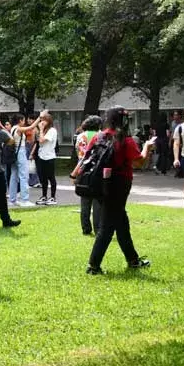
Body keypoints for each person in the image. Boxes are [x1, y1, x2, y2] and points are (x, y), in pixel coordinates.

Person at [80, 106, 152, 274]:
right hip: (119, 184)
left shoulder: (99, 137)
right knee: (107, 227)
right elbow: (139, 163)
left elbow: (86, 158)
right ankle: (93, 266)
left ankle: (133, 260)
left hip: (99, 184)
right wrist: (147, 147)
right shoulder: (125, 140)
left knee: (121, 223)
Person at [75, 116, 104, 236]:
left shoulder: (81, 136)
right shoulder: (100, 135)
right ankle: (98, 228)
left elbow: (78, 151)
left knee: (85, 199)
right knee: (97, 200)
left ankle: (86, 228)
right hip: (97, 169)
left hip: (82, 168)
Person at [34, 111, 60, 205]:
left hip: (49, 157)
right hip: (42, 156)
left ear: (49, 121)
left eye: (44, 120)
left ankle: (53, 197)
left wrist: (40, 130)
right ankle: (44, 196)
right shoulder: (44, 130)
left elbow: (41, 140)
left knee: (51, 177)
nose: (42, 122)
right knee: (43, 178)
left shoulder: (52, 130)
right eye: (41, 120)